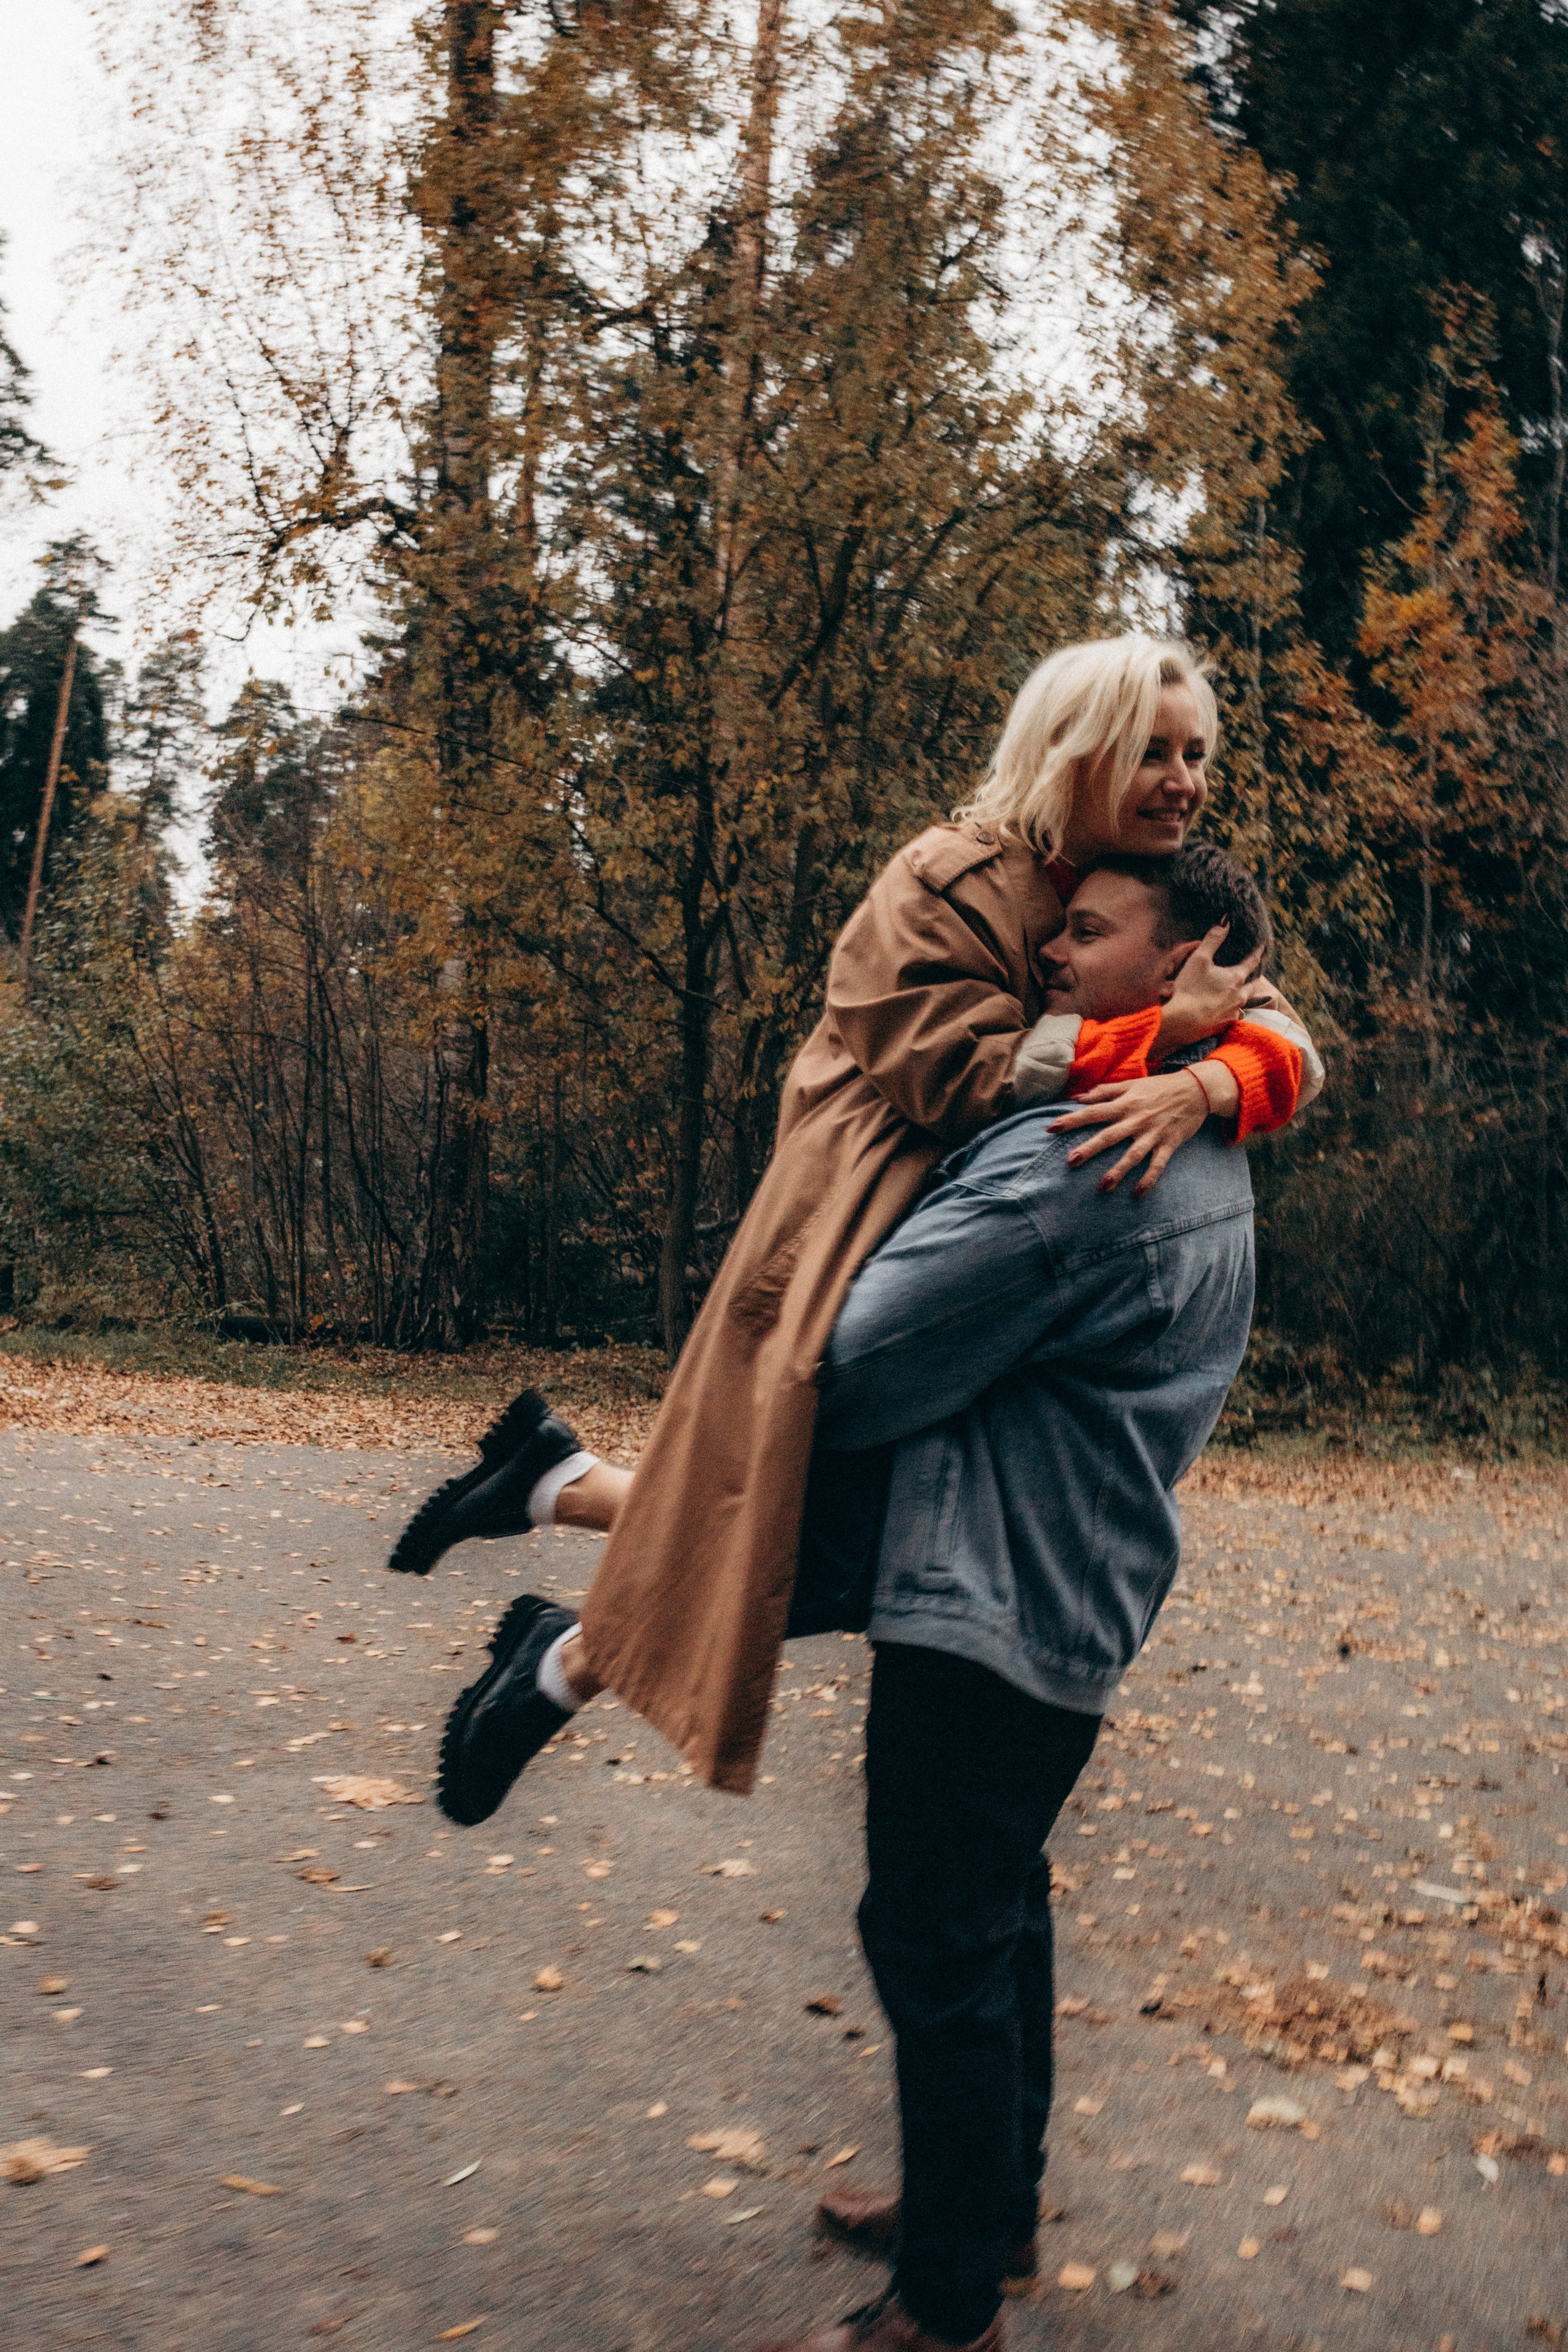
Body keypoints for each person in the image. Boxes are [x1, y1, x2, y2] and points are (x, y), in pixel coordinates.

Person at [389, 635, 1320, 1814]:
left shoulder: (1154, 891)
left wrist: (1207, 1085)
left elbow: (1280, 1031)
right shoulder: (946, 877)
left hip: (993, 1220)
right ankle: (559, 1581)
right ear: (1073, 750)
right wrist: (1157, 1040)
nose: (1183, 780)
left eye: (1194, 753)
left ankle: (560, 1549)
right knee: (802, 1477)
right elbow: (949, 1070)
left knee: (859, 1522)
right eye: (1152, 752)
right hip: (863, 1207)